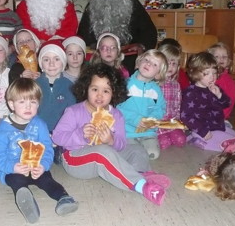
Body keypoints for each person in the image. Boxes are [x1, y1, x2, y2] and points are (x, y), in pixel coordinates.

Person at [53, 63, 171, 206]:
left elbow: (121, 143)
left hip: (106, 156)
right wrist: (80, 134)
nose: (99, 95)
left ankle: (142, 174)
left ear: (114, 93)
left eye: (106, 91)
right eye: (95, 89)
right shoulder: (74, 111)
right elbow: (57, 137)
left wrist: (111, 140)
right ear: (86, 88)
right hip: (75, 159)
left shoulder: (116, 115)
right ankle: (141, 186)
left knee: (137, 149)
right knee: (102, 152)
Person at [0, 78, 78, 224]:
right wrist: (13, 167)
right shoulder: (2, 129)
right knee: (17, 181)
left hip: (36, 166)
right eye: (22, 102)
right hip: (13, 169)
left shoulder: (40, 124)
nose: (28, 107)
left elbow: (47, 148)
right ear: (11, 104)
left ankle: (63, 198)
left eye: (33, 102)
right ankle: (28, 203)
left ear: (38, 104)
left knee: (47, 179)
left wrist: (43, 165)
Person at [77, 0, 157, 74]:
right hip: (101, 57)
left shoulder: (134, 4)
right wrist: (96, 45)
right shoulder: (92, 6)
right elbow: (82, 34)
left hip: (128, 58)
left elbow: (149, 31)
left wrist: (141, 45)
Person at [180, 52, 235, 151]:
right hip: (202, 130)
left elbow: (227, 104)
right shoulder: (191, 92)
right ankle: (196, 139)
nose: (212, 77)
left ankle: (233, 143)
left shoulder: (215, 88)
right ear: (195, 73)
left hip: (217, 126)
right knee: (226, 144)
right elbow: (185, 116)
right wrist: (202, 131)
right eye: (207, 73)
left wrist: (219, 95)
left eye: (214, 73)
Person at [117, 50, 168, 160]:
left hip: (147, 132)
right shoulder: (125, 84)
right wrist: (135, 119)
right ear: (139, 62)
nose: (149, 64)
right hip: (127, 131)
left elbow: (160, 108)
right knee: (133, 154)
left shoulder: (156, 90)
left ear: (158, 74)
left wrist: (153, 119)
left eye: (154, 64)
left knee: (153, 154)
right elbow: (117, 108)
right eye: (146, 60)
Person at [36, 40, 76, 133]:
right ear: (41, 63)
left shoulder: (69, 86)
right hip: (37, 132)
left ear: (63, 63)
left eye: (57, 59)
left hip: (62, 132)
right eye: (46, 59)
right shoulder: (34, 85)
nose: (51, 63)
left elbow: (72, 114)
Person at [157, 44, 187, 150]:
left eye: (174, 63)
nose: (171, 66)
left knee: (181, 140)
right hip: (157, 123)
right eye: (167, 62)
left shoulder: (176, 85)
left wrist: (179, 123)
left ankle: (170, 133)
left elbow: (177, 106)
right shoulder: (154, 84)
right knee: (164, 143)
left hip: (171, 122)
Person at [207, 42, 235, 127]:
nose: (221, 59)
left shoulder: (228, 81)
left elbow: (230, 102)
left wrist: (221, 117)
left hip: (220, 116)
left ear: (228, 61)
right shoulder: (208, 78)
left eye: (224, 57)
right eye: (217, 57)